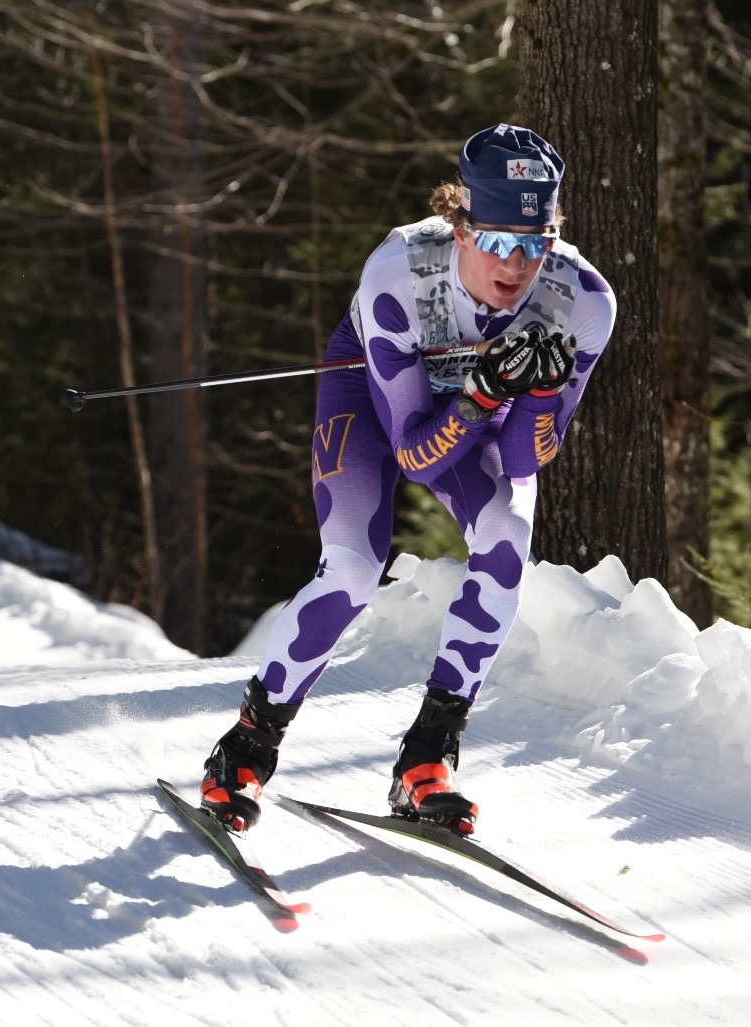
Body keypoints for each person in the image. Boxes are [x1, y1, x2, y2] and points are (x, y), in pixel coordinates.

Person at [198, 124, 618, 836]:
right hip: (374, 398)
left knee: (509, 536)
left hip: (471, 413)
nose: (518, 265)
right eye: (500, 242)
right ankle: (248, 744)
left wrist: (541, 393)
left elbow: (522, 460)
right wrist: (482, 394)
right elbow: (415, 451)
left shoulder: (584, 301)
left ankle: (428, 756)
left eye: (537, 243)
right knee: (354, 569)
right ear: (461, 228)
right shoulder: (399, 274)